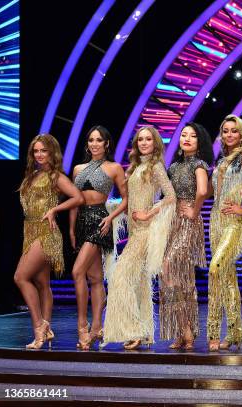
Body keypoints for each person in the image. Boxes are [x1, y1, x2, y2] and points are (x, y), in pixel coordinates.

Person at [102, 126, 175, 350]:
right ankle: (143, 332)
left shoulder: (156, 167)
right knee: (141, 284)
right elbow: (130, 198)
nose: (144, 142)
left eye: (148, 139)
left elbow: (171, 196)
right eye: (140, 139)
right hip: (134, 231)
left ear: (155, 143)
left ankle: (134, 329)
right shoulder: (134, 167)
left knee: (120, 277)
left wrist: (150, 212)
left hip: (145, 231)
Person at [15, 134, 84, 349]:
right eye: (36, 151)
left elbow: (78, 197)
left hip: (47, 233)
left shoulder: (56, 176)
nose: (39, 155)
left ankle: (39, 328)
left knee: (20, 277)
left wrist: (55, 209)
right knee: (42, 284)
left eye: (44, 150)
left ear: (52, 152)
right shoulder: (31, 176)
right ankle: (48, 327)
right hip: (30, 231)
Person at [207, 115, 242, 351]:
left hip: (234, 223)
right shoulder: (222, 160)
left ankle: (212, 331)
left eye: (234, 131)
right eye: (225, 131)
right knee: (228, 279)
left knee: (215, 269)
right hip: (215, 221)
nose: (229, 135)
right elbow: (213, 192)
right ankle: (235, 333)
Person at [70, 125, 127, 350]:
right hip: (82, 221)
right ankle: (97, 327)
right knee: (94, 278)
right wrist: (72, 230)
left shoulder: (114, 168)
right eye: (91, 140)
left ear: (106, 144)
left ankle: (82, 327)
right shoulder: (77, 169)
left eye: (99, 140)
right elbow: (75, 201)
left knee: (77, 271)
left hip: (100, 221)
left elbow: (125, 199)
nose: (94, 144)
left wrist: (111, 218)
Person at [159, 122, 212, 350]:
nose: (187, 138)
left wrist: (195, 210)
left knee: (168, 268)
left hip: (189, 222)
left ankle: (187, 330)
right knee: (180, 279)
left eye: (192, 136)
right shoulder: (173, 167)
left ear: (199, 142)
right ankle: (184, 329)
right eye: (183, 135)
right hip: (172, 222)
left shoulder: (199, 165)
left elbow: (203, 190)